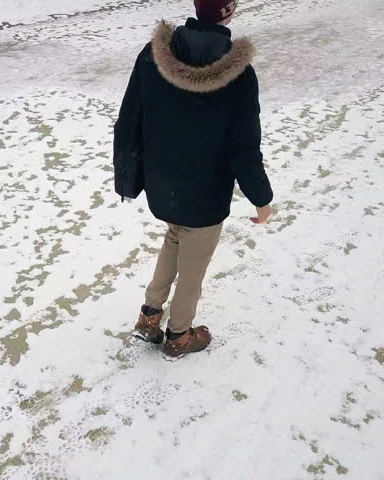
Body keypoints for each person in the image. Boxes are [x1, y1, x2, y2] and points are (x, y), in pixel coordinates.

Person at [112, 0, 274, 358]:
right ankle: (179, 336)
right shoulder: (240, 74)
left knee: (174, 237)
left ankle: (149, 317)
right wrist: (261, 199)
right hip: (205, 190)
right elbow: (244, 147)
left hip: (162, 180)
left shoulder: (153, 55)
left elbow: (129, 116)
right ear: (230, 11)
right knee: (193, 268)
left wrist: (127, 172)